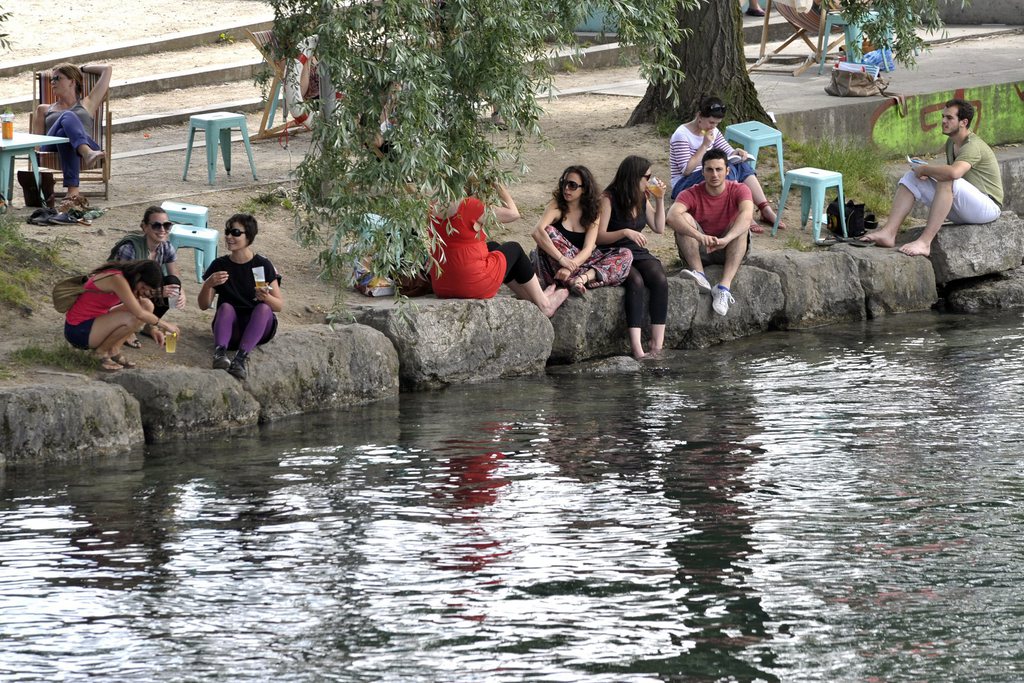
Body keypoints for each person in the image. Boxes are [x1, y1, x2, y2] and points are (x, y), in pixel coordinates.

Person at [860, 98, 1003, 257]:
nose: (943, 121)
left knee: (946, 177)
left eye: (949, 118)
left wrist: (926, 169)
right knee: (911, 177)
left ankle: (924, 243)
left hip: (987, 207)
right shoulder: (951, 143)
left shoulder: (972, 145)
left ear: (963, 122)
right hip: (964, 206)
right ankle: (888, 233)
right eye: (943, 116)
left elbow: (954, 173)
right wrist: (921, 171)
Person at [430, 182, 569, 317]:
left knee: (493, 248)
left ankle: (532, 298)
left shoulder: (431, 207)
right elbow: (513, 213)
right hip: (472, 284)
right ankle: (545, 304)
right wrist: (498, 186)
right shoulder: (469, 205)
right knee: (514, 249)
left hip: (443, 285)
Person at [668, 96, 783, 232]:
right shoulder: (682, 135)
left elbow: (727, 151)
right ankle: (741, 214)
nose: (713, 126)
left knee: (740, 165)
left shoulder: (713, 131)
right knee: (726, 172)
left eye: (716, 123)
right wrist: (704, 146)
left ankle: (765, 208)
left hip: (709, 173)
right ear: (699, 116)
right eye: (711, 122)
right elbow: (686, 170)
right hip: (685, 182)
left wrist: (737, 153)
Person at [596, 155, 668, 359]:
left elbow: (659, 227)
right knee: (635, 281)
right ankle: (637, 348)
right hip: (612, 251)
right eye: (647, 176)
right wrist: (625, 232)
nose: (650, 180)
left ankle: (656, 345)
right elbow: (599, 237)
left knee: (659, 278)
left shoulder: (642, 196)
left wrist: (660, 199)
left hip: (635, 251)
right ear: (634, 177)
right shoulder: (608, 199)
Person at [668, 148, 755, 317]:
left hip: (730, 247)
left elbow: (747, 215)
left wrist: (726, 239)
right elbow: (671, 216)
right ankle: (699, 275)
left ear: (727, 171)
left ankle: (723, 287)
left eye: (719, 169)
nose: (714, 174)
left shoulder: (740, 189)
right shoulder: (691, 192)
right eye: (709, 169)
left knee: (741, 228)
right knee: (682, 219)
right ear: (703, 171)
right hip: (701, 250)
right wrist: (700, 236)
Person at [198, 214, 284, 380]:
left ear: (249, 236)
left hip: (258, 329)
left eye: (236, 232)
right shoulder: (219, 265)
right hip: (230, 330)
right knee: (225, 307)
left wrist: (265, 297)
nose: (229, 237)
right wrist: (208, 284)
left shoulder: (262, 265)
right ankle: (220, 354)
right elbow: (203, 305)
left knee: (264, 308)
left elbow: (278, 306)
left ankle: (240, 359)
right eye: (228, 232)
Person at [530, 165, 633, 295]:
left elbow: (588, 248)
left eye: (572, 185)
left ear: (584, 189)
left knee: (626, 254)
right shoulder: (556, 205)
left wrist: (570, 267)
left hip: (579, 264)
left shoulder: (593, 211)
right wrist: (563, 260)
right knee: (549, 232)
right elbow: (536, 232)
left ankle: (582, 279)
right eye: (564, 183)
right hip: (557, 263)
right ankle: (578, 279)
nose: (566, 188)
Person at [63, 260, 179, 372]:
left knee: (146, 305)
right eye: (143, 287)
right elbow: (139, 313)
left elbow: (142, 308)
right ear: (138, 276)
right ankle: (99, 354)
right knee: (133, 318)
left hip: (95, 321)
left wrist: (154, 329)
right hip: (78, 329)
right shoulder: (116, 279)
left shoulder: (127, 278)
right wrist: (167, 326)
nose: (142, 290)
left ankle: (114, 350)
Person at [108, 206, 186, 348]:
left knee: (173, 283)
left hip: (142, 292)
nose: (162, 230)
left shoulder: (166, 247)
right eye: (156, 225)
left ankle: (149, 324)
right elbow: (122, 287)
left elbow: (174, 273)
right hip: (120, 295)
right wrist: (157, 292)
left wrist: (181, 292)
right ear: (144, 227)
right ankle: (128, 328)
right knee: (160, 288)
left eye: (167, 225)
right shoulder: (130, 249)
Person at [32, 63, 111, 198]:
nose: (52, 82)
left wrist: (82, 68)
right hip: (51, 146)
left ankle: (72, 192)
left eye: (58, 78)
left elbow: (107, 69)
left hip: (82, 141)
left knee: (64, 134)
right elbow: (37, 143)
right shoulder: (44, 109)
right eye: (51, 79)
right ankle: (87, 153)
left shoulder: (88, 103)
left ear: (72, 81)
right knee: (68, 115)